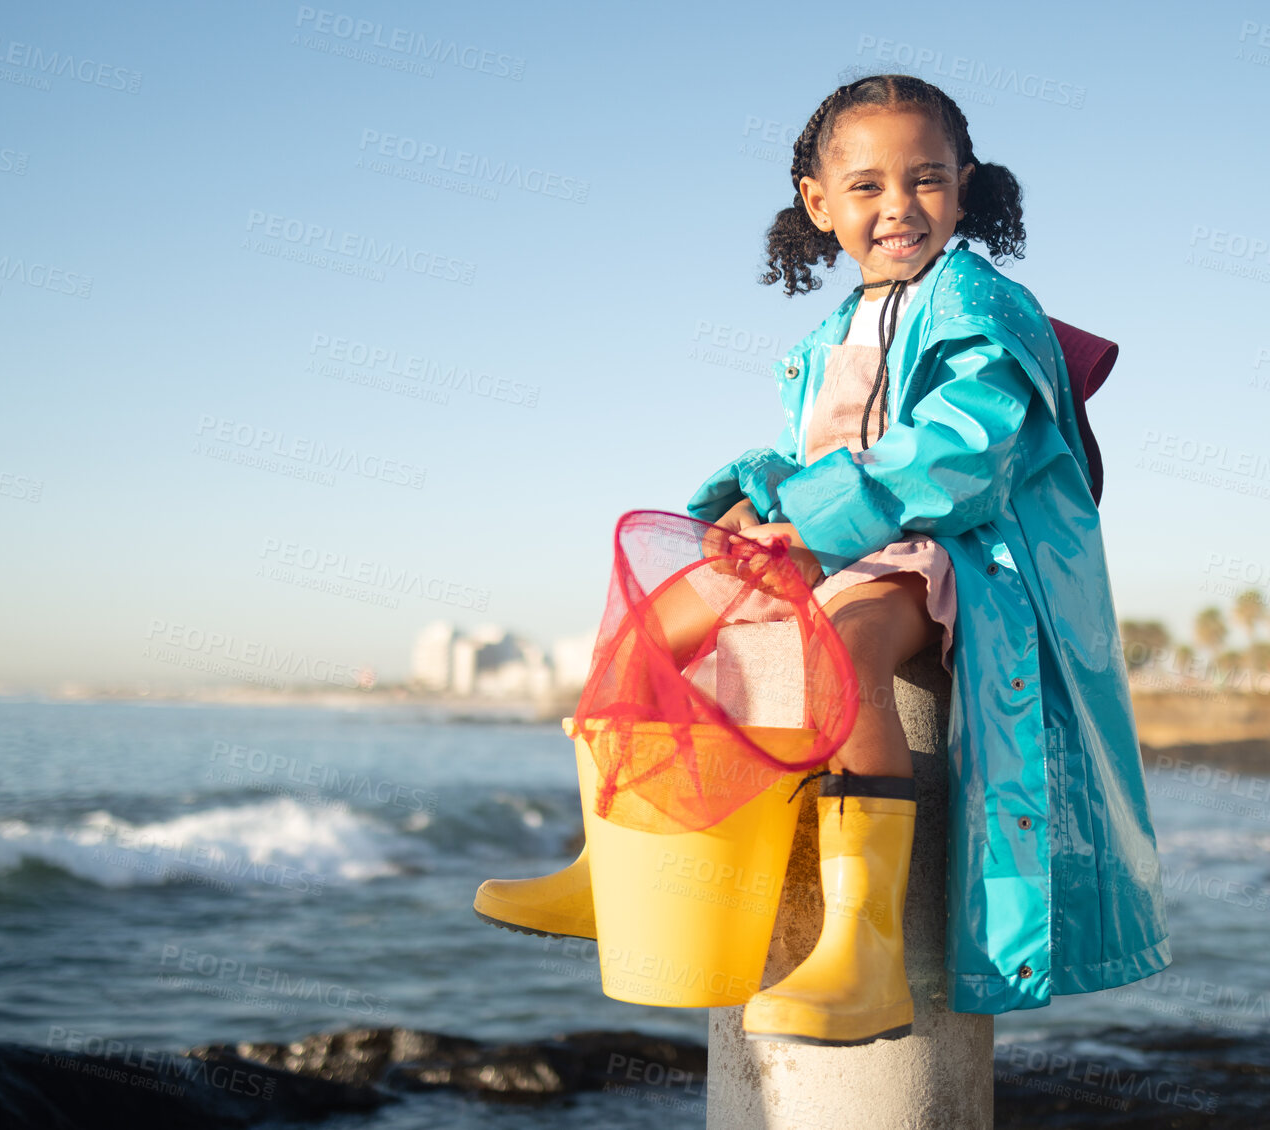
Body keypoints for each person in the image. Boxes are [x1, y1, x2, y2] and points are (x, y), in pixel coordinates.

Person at [475, 73, 1170, 1047]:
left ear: (964, 188)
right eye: (868, 186)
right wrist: (758, 502)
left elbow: (960, 452)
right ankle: (606, 865)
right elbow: (822, 455)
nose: (898, 206)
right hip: (836, 532)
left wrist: (814, 522)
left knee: (838, 657)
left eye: (926, 179)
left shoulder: (979, 304)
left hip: (954, 552)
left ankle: (863, 951)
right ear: (818, 202)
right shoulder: (830, 332)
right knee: (650, 625)